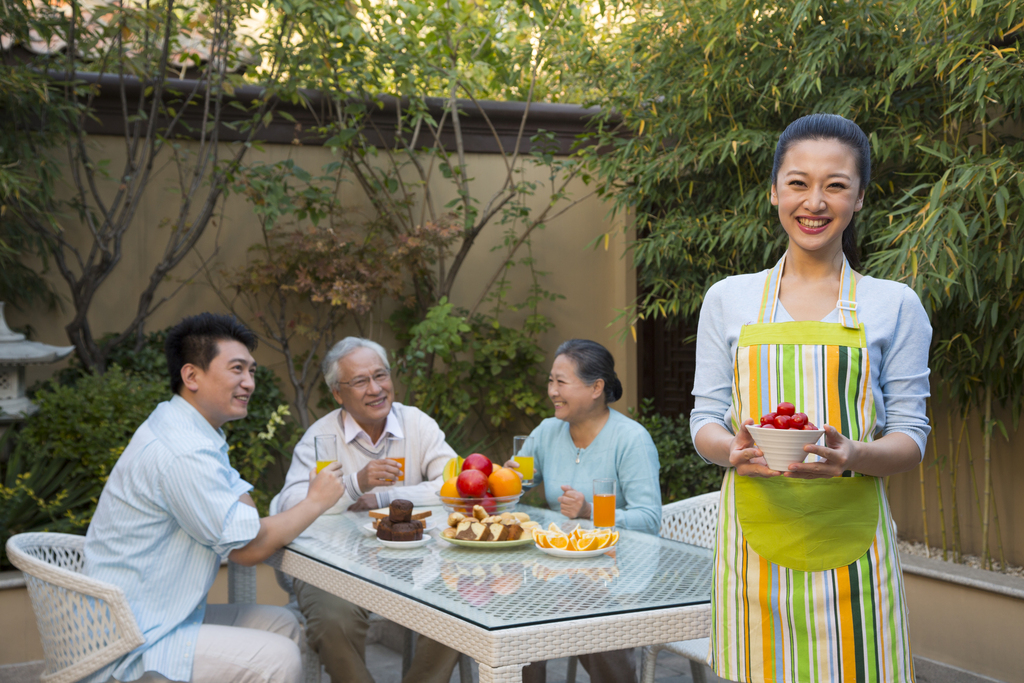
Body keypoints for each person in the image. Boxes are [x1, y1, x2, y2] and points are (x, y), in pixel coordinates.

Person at [690, 114, 930, 683]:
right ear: (774, 191)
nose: (814, 202)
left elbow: (910, 437)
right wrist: (732, 452)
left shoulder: (894, 305)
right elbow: (704, 420)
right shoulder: (729, 299)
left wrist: (853, 456)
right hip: (752, 555)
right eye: (798, 182)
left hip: (855, 559)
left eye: (836, 185)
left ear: (860, 198)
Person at [83, 313, 347, 683]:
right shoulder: (183, 450)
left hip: (161, 612)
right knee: (278, 658)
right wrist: (316, 502)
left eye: (252, 371)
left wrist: (256, 518)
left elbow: (246, 515)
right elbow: (247, 548)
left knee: (283, 623)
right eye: (237, 369)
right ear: (191, 376)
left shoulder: (188, 427)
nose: (249, 383)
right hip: (133, 634)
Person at [277, 337, 460, 683]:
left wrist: (383, 498)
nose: (376, 389)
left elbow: (455, 483)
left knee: (459, 604)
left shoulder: (416, 423)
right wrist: (355, 484)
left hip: (416, 561)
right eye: (360, 381)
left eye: (381, 376)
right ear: (337, 393)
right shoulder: (322, 437)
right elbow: (291, 505)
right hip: (334, 565)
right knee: (333, 619)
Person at [515, 338, 662, 683]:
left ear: (596, 387)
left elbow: (649, 519)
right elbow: (516, 486)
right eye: (550, 380)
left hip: (619, 574)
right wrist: (506, 478)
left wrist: (590, 511)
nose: (552, 391)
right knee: (517, 614)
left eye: (561, 382)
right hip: (557, 570)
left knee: (583, 618)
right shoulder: (547, 431)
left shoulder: (631, 439)